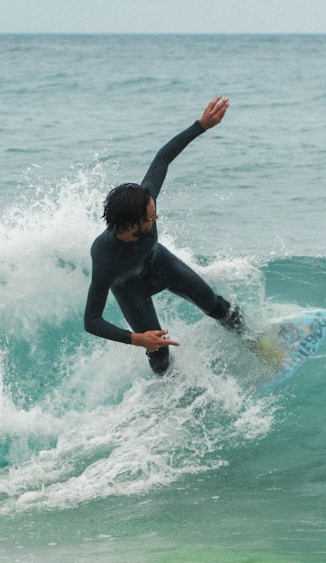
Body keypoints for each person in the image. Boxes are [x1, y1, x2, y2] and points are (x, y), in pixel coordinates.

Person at [83, 96, 246, 375]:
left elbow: (163, 158)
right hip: (130, 291)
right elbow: (91, 320)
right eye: (150, 218)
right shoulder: (104, 254)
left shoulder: (145, 199)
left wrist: (201, 125)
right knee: (159, 351)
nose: (156, 217)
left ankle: (254, 343)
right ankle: (169, 394)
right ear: (131, 225)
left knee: (218, 307)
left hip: (160, 265)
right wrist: (135, 339)